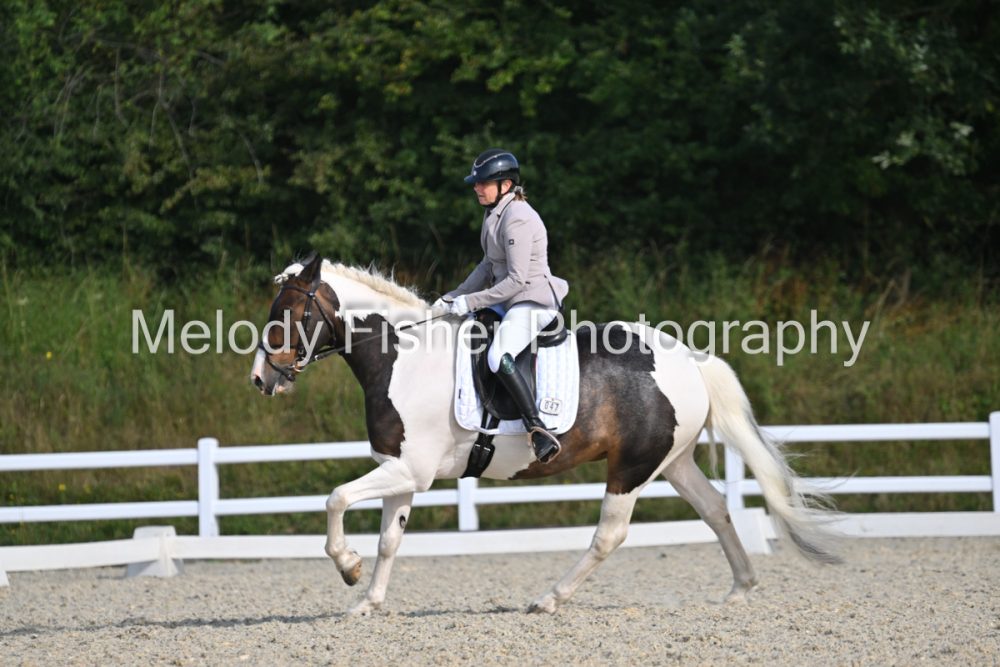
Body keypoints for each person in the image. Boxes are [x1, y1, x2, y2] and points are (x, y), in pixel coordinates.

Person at [434, 148, 569, 463]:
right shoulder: (494, 212)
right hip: (508, 300)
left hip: (532, 300)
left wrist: (470, 301)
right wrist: (453, 296)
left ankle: (537, 428)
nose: (476, 188)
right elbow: (487, 265)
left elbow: (516, 280)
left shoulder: (518, 216)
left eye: (483, 183)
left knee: (498, 355)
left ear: (505, 185)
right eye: (476, 183)